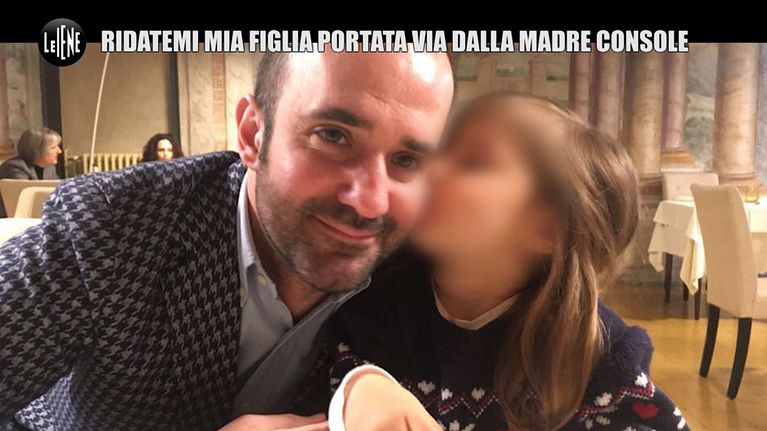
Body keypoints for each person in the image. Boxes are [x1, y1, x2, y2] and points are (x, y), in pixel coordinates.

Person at [0, 52, 454, 430]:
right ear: (253, 134)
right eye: (333, 136)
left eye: (407, 160)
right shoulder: (116, 227)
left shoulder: (424, 270)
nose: (371, 202)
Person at [310, 93, 690, 431]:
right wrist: (359, 387)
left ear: (546, 228)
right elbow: (323, 378)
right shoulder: (377, 299)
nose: (429, 168)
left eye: (473, 162)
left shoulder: (597, 355)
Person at [0, 127, 61, 217]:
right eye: (53, 148)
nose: (59, 151)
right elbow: (25, 203)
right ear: (37, 151)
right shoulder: (14, 167)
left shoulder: (49, 168)